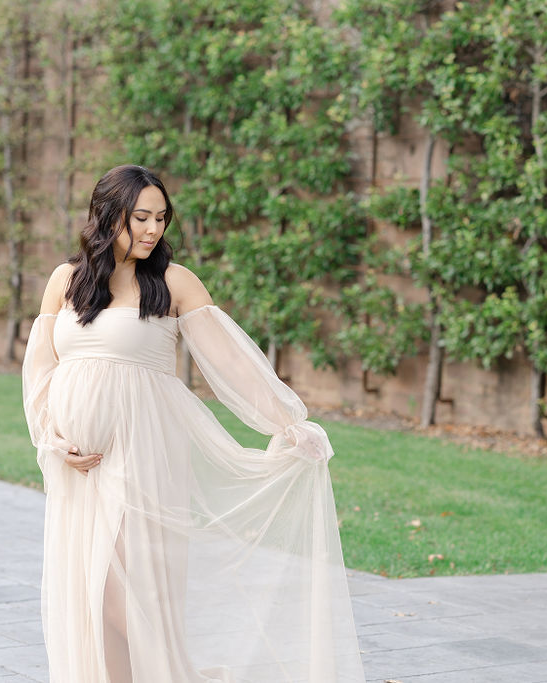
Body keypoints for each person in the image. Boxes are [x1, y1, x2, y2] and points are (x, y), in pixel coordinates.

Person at [21, 164, 364, 682]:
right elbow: (42, 370)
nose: (153, 230)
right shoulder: (64, 282)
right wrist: (51, 440)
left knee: (122, 593)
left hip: (144, 455)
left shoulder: (173, 282)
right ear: (107, 215)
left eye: (160, 218)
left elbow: (229, 362)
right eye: (140, 217)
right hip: (77, 468)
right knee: (89, 601)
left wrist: (288, 423)